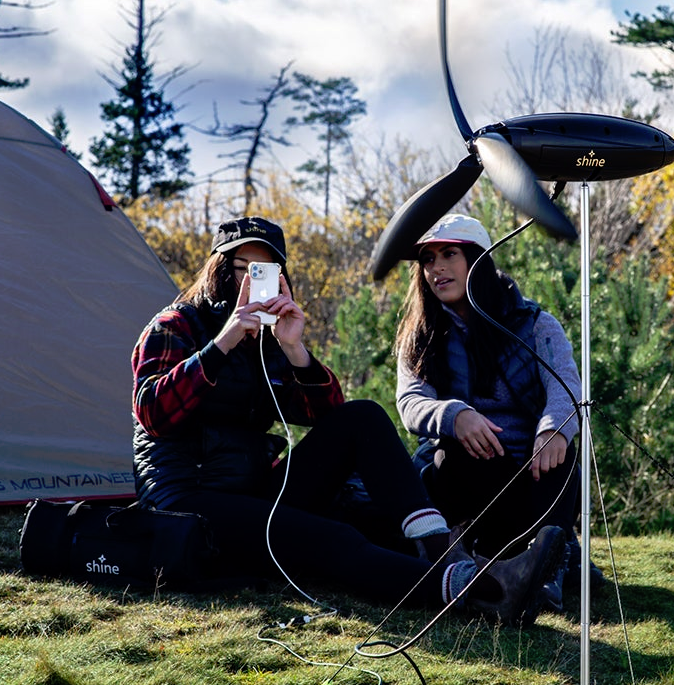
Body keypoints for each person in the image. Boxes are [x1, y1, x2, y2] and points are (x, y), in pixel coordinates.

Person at [132, 215, 565, 625]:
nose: (250, 282)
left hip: (254, 490)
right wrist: (225, 340)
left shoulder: (264, 343)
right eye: (241, 268)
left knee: (364, 417)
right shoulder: (175, 324)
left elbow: (329, 419)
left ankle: (444, 550)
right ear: (217, 270)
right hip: (187, 499)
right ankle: (478, 591)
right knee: (333, 539)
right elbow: (152, 412)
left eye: (264, 271)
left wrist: (295, 350)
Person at [395, 213, 598, 612]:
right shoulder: (419, 333)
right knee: (453, 452)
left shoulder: (536, 324)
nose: (436, 268)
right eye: (428, 259)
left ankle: (550, 561)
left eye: (449, 254)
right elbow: (410, 403)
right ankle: (489, 556)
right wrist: (456, 416)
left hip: (531, 470)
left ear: (477, 261)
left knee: (564, 454)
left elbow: (567, 387)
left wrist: (553, 430)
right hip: (465, 476)